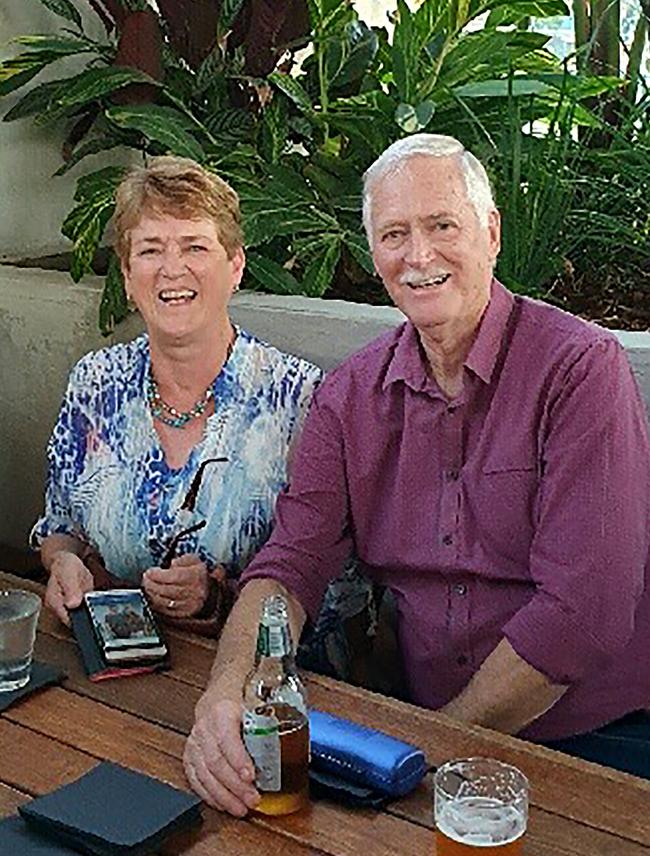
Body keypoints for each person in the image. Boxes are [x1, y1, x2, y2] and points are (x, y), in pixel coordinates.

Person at [183, 133, 650, 814]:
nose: (419, 255)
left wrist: (435, 747)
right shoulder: (350, 395)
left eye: (442, 226)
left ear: (490, 233)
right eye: (395, 233)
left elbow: (583, 616)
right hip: (415, 735)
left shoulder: (579, 370)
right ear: (374, 256)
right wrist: (226, 691)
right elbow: (291, 562)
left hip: (591, 742)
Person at [32, 155, 324, 635]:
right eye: (150, 250)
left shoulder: (298, 398)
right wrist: (63, 563)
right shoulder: (95, 381)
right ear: (127, 276)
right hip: (115, 658)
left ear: (235, 267)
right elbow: (60, 525)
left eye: (194, 246)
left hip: (250, 675)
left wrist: (219, 599)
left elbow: (331, 588)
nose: (172, 269)